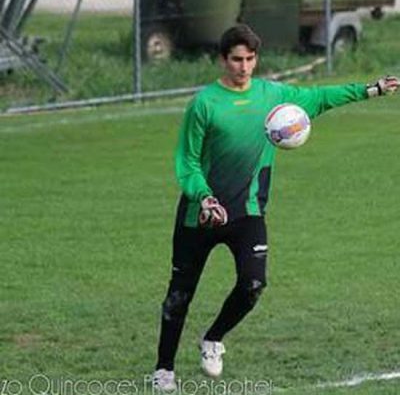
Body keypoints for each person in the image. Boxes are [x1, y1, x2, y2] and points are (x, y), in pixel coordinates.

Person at [152, 24, 399, 391]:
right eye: (237, 59)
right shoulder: (204, 104)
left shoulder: (273, 96)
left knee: (253, 284)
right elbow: (187, 162)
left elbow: (320, 98)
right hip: (200, 214)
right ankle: (164, 370)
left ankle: (213, 338)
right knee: (179, 294)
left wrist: (370, 89)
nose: (244, 67)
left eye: (250, 59)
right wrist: (204, 196)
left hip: (248, 211)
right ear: (223, 60)